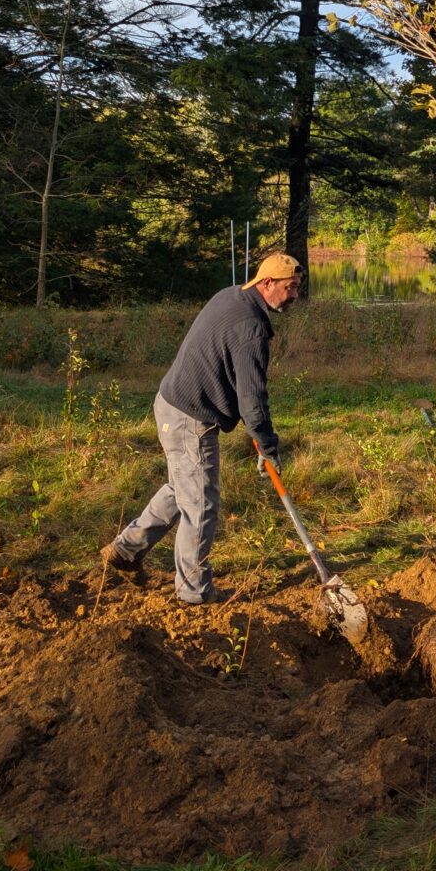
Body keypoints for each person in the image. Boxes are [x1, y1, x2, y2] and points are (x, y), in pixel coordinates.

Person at [101, 251, 307, 605]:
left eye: (298, 288)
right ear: (267, 283)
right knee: (201, 504)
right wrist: (267, 446)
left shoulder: (232, 295)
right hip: (189, 416)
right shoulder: (250, 328)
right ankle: (193, 593)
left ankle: (125, 550)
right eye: (290, 288)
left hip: (170, 403)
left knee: (181, 489)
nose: (295, 296)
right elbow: (252, 399)